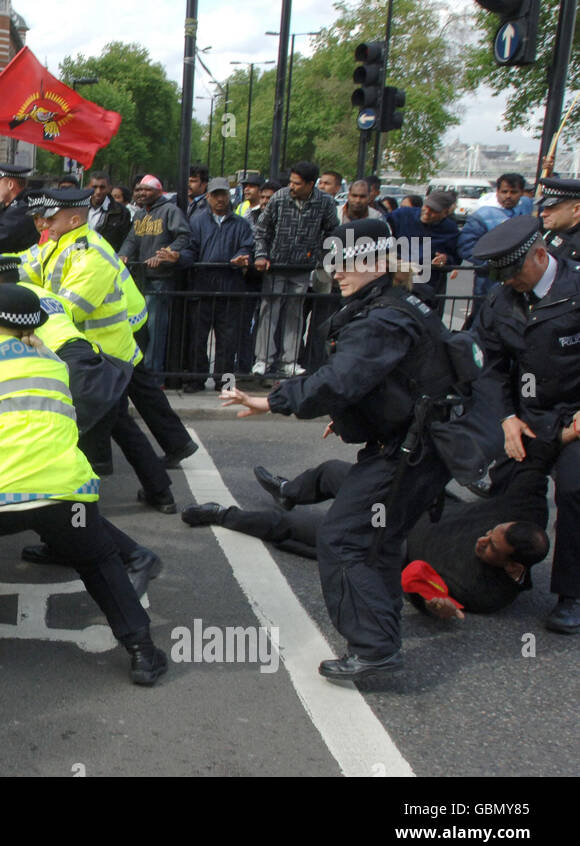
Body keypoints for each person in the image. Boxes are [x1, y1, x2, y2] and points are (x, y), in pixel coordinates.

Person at [0, 284, 168, 685]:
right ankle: (142, 652)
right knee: (99, 561)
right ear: (34, 327)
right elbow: (21, 405)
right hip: (63, 494)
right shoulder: (54, 362)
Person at [222, 218, 458, 680]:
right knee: (377, 541)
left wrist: (272, 401)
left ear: (380, 263)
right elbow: (394, 380)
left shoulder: (384, 318)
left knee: (346, 538)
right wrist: (354, 414)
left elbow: (340, 378)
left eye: (350, 262)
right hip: (418, 446)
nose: (339, 272)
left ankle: (375, 651)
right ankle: (381, 640)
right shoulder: (399, 303)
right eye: (335, 263)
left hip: (409, 452)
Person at [182, 458, 551, 617]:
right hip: (413, 503)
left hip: (389, 544)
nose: (483, 539)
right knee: (335, 473)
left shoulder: (486, 594)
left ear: (512, 566)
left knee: (299, 527)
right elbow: (535, 462)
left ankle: (222, 514)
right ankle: (289, 490)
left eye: (491, 547)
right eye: (491, 532)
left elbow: (421, 585)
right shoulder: (525, 513)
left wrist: (433, 607)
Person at [31, 186, 179, 511]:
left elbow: (68, 309)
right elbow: (27, 265)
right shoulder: (59, 244)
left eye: (50, 218)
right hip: (94, 356)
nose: (44, 223)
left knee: (92, 429)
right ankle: (158, 491)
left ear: (73, 220)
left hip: (105, 357)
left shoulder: (92, 254)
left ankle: (80, 514)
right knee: (118, 425)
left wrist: (24, 312)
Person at [473, 214, 580, 634]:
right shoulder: (501, 300)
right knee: (510, 488)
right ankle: (512, 570)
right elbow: (490, 366)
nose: (509, 282)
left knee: (574, 490)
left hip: (575, 414)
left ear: (539, 255)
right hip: (529, 416)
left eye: (514, 273)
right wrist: (506, 418)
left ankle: (571, 594)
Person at [251, 161, 340, 378]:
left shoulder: (325, 202)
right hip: (275, 266)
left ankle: (289, 360)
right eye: (291, 181)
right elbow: (262, 229)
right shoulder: (279, 198)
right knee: (269, 312)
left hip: (302, 267)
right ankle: (263, 359)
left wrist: (320, 256)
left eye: (297, 183)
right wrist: (261, 255)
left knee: (295, 314)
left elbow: (333, 231)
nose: (291, 186)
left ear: (310, 184)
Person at [118, 173, 191, 375]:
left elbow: (184, 236)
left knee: (155, 329)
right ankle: (143, 370)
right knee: (142, 328)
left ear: (159, 192)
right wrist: (123, 254)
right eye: (139, 189)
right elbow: (132, 240)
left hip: (161, 278)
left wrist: (167, 253)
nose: (142, 193)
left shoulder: (170, 210)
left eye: (147, 190)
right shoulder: (140, 215)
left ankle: (153, 373)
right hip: (141, 278)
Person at [186, 179, 254, 392]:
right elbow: (190, 249)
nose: (220, 199)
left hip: (230, 287)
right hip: (202, 287)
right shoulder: (197, 221)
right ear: (208, 197)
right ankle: (196, 379)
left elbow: (247, 247)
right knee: (197, 338)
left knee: (227, 340)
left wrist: (242, 257)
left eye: (223, 194)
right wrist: (179, 257)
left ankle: (224, 381)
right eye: (215, 195)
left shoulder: (241, 224)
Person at [458, 173, 535, 302]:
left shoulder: (526, 208)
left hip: (521, 279)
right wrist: (491, 264)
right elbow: (466, 247)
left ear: (522, 193)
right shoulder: (481, 216)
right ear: (497, 192)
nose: (508, 196)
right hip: (489, 281)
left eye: (513, 192)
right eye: (504, 192)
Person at [386, 190, 460, 313]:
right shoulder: (403, 215)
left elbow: (454, 258)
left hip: (426, 286)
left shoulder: (450, 229)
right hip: (396, 280)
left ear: (445, 213)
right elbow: (382, 230)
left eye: (434, 210)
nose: (427, 212)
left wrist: (444, 260)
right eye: (426, 206)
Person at [536, 176, 580, 267]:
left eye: (551, 208)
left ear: (576, 210)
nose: (543, 214)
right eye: (545, 208)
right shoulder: (553, 231)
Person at [87, 170, 131, 251]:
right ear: (88, 187)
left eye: (102, 187)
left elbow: (125, 240)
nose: (98, 192)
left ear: (109, 188)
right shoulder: (78, 209)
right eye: (94, 187)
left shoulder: (121, 212)